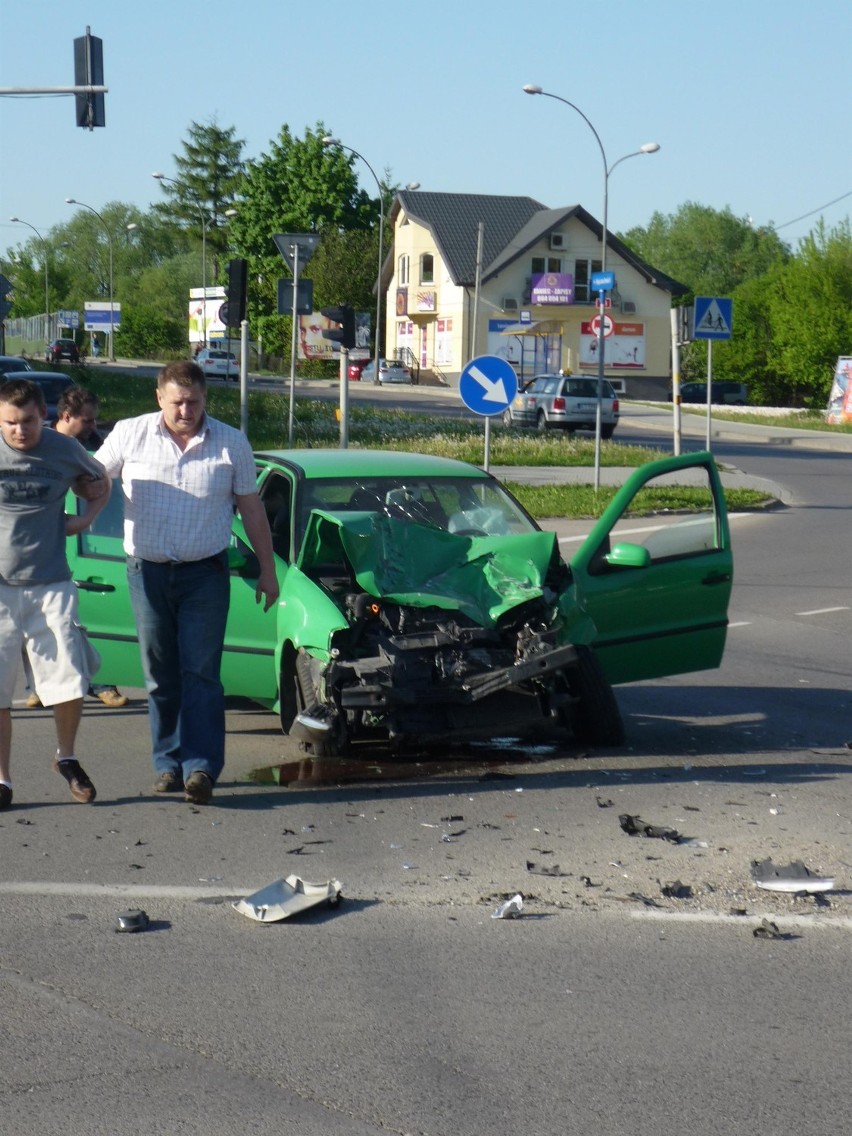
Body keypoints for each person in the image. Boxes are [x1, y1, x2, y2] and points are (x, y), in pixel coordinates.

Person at [97, 360, 279, 805]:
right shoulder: (130, 434)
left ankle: (201, 769)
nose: (186, 411)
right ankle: (167, 765)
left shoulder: (231, 442)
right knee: (160, 674)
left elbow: (252, 510)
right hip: (148, 571)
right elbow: (94, 480)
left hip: (205, 573)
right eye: (177, 402)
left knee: (201, 672)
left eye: (193, 402)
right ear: (159, 397)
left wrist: (268, 570)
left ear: (204, 399)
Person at [0, 377, 109, 811]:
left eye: (27, 422)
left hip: (51, 584)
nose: (19, 431)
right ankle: (2, 779)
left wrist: (83, 520)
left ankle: (67, 758)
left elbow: (99, 484)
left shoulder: (64, 450)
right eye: (9, 423)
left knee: (69, 679)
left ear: (43, 416)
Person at [25, 386, 129, 710]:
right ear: (66, 416)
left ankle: (101, 683)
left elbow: (106, 484)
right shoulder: (39, 444)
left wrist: (91, 514)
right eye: (87, 421)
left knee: (87, 619)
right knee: (34, 624)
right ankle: (39, 686)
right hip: (42, 544)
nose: (93, 427)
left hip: (86, 541)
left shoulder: (94, 445)